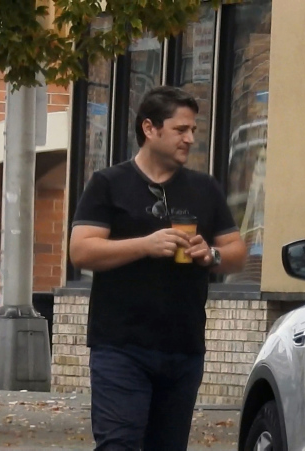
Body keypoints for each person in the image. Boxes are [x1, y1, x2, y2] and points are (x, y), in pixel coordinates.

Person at [69, 86, 247, 451]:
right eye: (181, 129)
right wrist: (145, 245)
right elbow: (81, 251)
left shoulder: (204, 189)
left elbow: (237, 253)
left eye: (193, 130)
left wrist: (211, 254)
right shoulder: (108, 184)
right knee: (118, 444)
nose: (190, 138)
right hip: (121, 346)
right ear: (149, 128)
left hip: (183, 348)